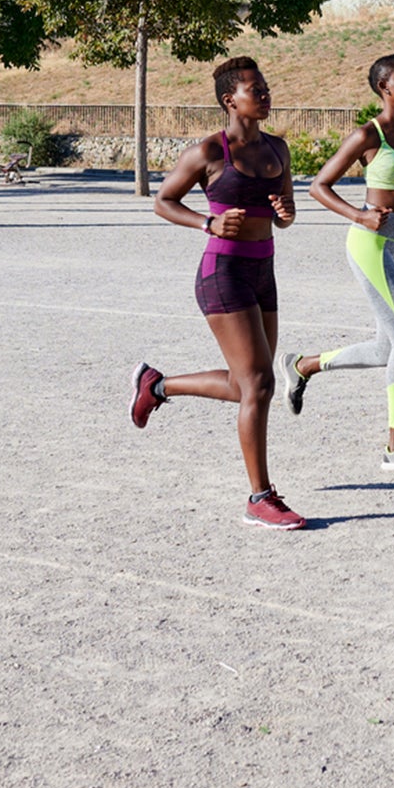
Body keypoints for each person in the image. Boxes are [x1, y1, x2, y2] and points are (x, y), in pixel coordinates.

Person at [129, 57, 307, 530]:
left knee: (248, 383)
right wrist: (206, 221)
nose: (265, 94)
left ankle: (157, 385)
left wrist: (286, 211)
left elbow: (284, 217)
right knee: (261, 386)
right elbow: (163, 202)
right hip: (222, 272)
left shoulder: (278, 149)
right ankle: (260, 498)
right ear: (231, 100)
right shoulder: (209, 151)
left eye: (266, 87)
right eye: (256, 89)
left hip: (262, 271)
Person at [285, 54, 394, 473]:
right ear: (384, 89)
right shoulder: (367, 135)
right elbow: (318, 186)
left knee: (386, 346)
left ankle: (304, 365)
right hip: (370, 244)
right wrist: (360, 214)